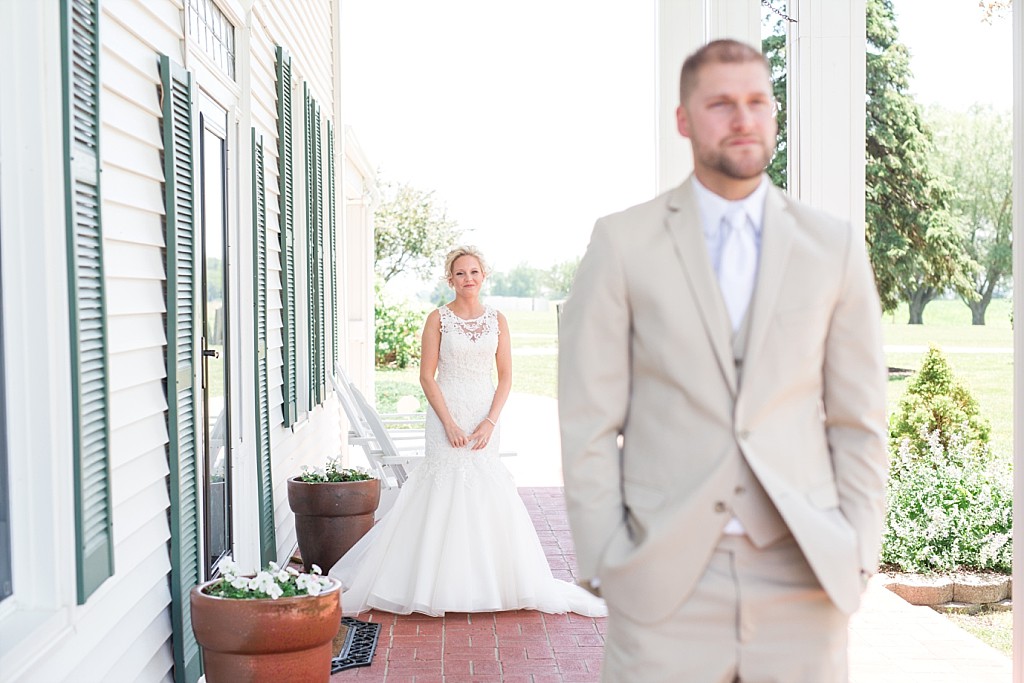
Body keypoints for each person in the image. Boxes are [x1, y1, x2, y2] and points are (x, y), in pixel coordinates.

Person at [557, 39, 888, 682]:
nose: (743, 119)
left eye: (758, 102)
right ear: (683, 119)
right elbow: (589, 422)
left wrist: (856, 552)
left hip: (803, 575)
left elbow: (860, 419)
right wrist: (606, 560)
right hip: (663, 581)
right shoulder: (623, 243)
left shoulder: (832, 247)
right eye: (721, 104)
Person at [330, 245, 606, 618]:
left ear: (484, 276)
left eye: (474, 272)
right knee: (443, 489)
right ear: (450, 279)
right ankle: (429, 585)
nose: (468, 279)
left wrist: (490, 420)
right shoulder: (437, 319)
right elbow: (426, 376)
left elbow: (506, 376)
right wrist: (448, 423)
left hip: (483, 414)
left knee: (485, 488)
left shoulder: (498, 320)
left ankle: (487, 583)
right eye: (460, 273)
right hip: (447, 413)